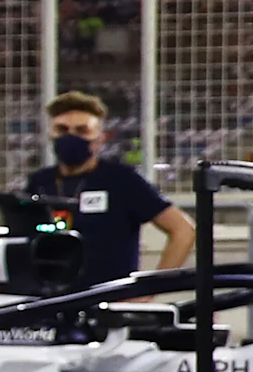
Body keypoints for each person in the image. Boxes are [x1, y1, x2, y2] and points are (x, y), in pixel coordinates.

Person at [22, 91, 191, 285]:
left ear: (100, 138)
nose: (71, 137)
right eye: (62, 129)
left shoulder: (121, 180)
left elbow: (183, 230)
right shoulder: (40, 181)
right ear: (51, 134)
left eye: (82, 130)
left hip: (106, 302)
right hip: (48, 301)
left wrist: (152, 288)